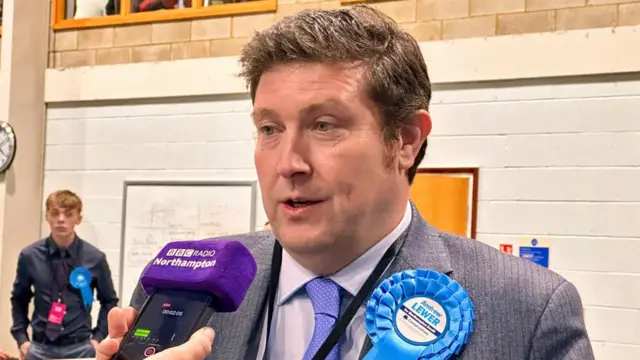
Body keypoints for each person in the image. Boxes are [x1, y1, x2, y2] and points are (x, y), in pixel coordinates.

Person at [97, 5, 595, 360]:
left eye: (324, 126)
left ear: (404, 141)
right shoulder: (177, 288)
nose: (289, 162)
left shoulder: (527, 313)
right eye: (269, 129)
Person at [11, 190, 120, 360]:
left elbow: (109, 301)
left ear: (78, 219)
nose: (61, 219)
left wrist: (98, 338)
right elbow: (19, 298)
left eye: (69, 214)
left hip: (81, 348)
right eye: (55, 213)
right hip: (39, 348)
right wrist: (21, 339)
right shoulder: (29, 256)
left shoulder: (95, 258)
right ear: (47, 216)